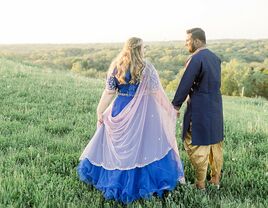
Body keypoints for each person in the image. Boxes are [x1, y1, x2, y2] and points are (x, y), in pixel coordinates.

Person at [77, 37, 185, 204]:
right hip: (143, 112)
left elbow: (109, 92)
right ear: (140, 50)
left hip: (120, 108)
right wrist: (169, 109)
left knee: (123, 148)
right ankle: (143, 183)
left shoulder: (116, 66)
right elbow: (157, 93)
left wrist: (100, 111)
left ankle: (118, 181)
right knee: (143, 146)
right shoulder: (147, 68)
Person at [172, 28, 224, 190]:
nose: (186, 43)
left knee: (196, 142)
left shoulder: (195, 59)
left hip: (199, 108)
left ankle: (200, 184)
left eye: (188, 41)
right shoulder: (215, 58)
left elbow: (185, 84)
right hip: (215, 107)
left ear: (197, 41)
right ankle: (215, 180)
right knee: (214, 142)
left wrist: (175, 105)